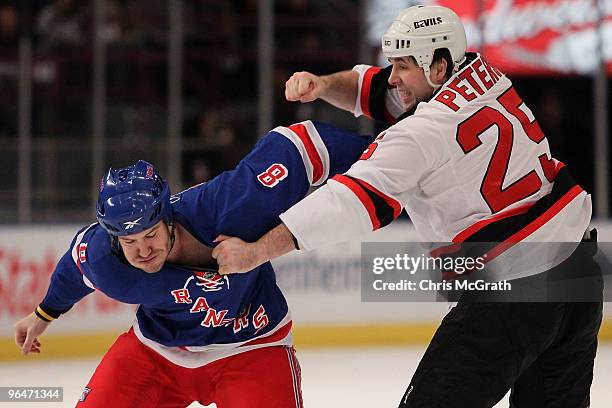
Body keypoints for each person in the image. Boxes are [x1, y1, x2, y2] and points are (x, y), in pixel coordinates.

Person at [212, 5, 603, 407]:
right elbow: (381, 90)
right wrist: (324, 85)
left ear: (437, 66)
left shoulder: (422, 132)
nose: (394, 77)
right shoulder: (483, 75)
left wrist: (257, 251)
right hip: (578, 276)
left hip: (513, 290)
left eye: (402, 65)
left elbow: (349, 202)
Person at [14, 120, 373, 407]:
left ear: (168, 217)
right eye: (129, 242)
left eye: (150, 235)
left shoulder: (229, 205)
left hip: (251, 347)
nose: (142, 251)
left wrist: (386, 160)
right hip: (157, 352)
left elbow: (301, 145)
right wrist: (43, 314)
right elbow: (74, 269)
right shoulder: (104, 259)